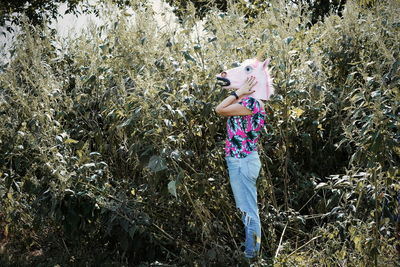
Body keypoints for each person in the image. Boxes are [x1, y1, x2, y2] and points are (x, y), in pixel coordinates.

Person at [215, 75, 266, 260]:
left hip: (242, 161)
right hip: (240, 160)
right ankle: (252, 254)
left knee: (249, 210)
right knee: (246, 210)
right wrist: (235, 88)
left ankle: (251, 257)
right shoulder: (247, 102)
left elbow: (219, 109)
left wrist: (239, 91)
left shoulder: (252, 103)